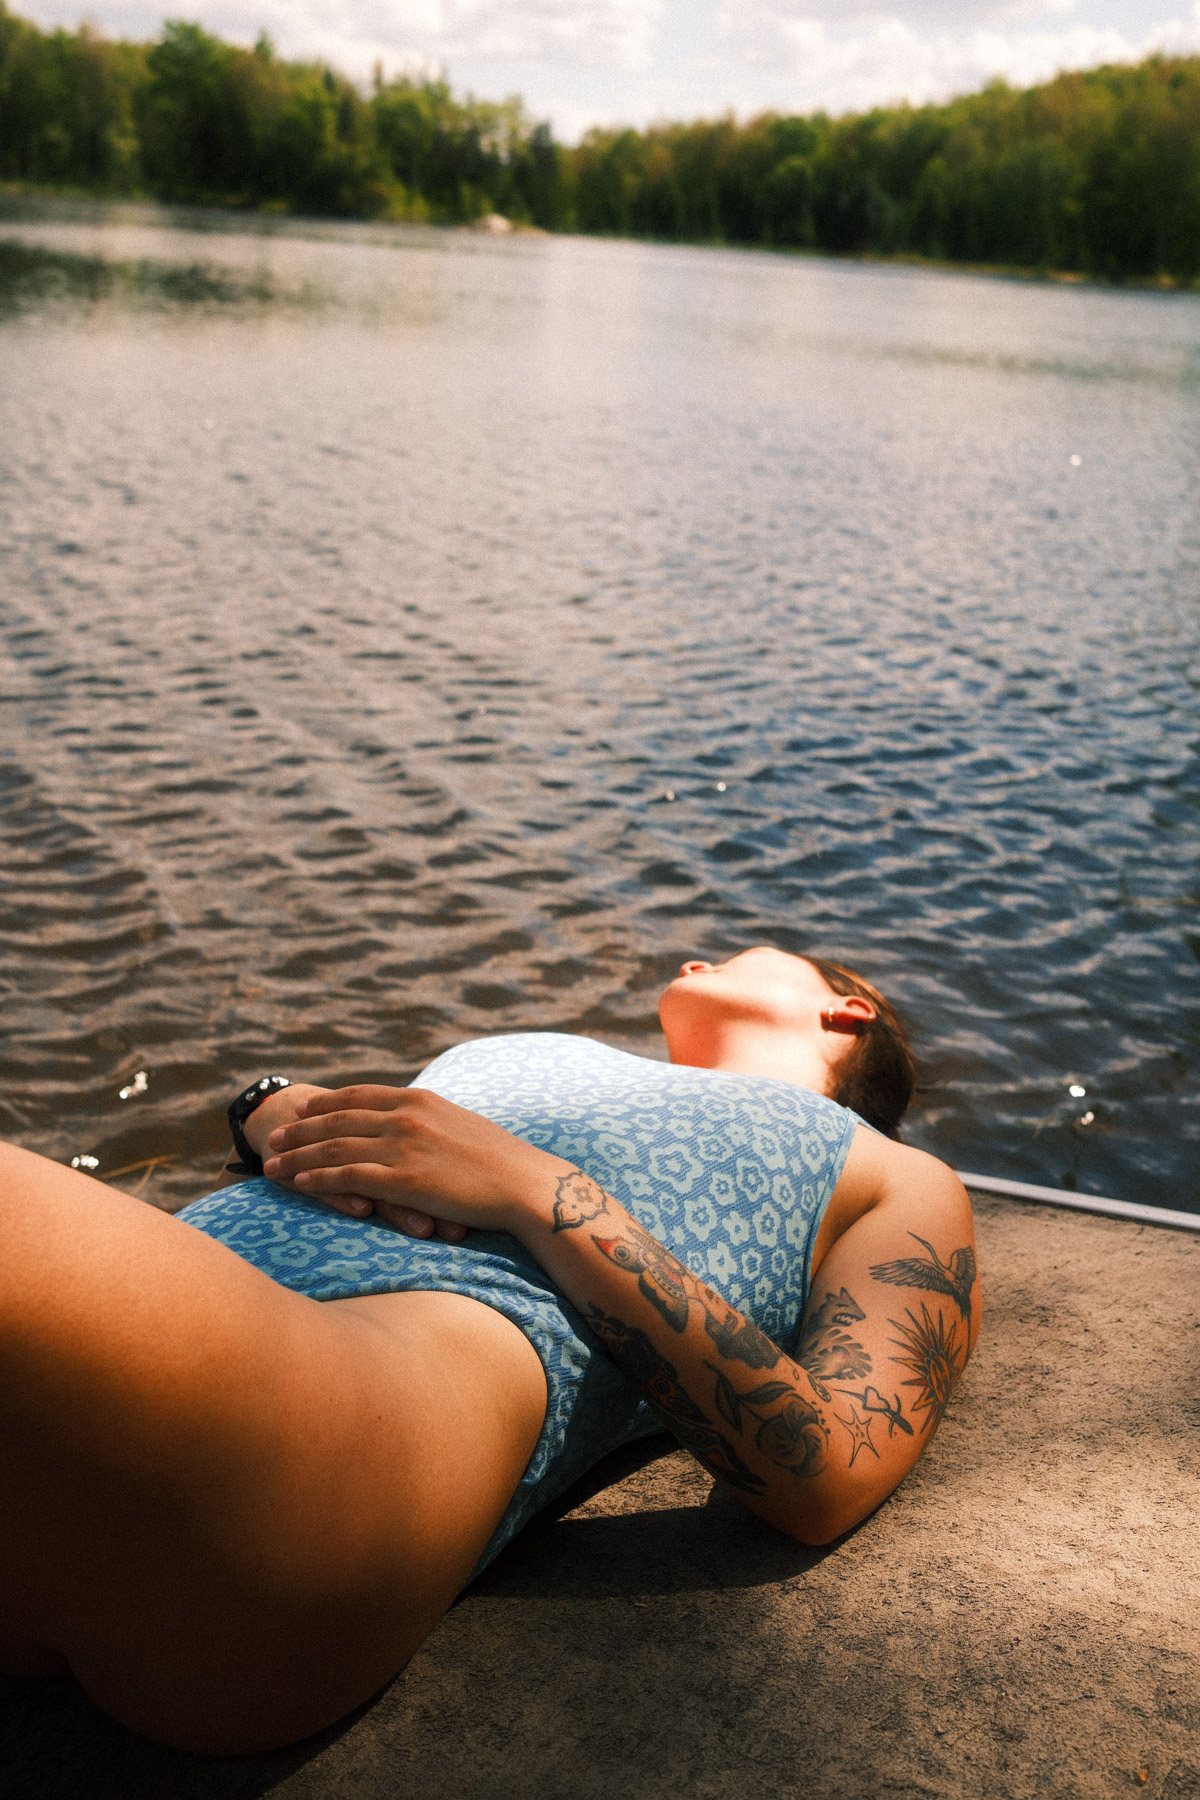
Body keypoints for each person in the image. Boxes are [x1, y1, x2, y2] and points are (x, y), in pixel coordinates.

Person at [0, 947, 978, 1755]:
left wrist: (537, 1190)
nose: (695, 958)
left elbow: (833, 1467)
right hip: (147, 1363)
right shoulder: (546, 1051)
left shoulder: (888, 1170)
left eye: (741, 952)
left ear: (845, 1011)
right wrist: (273, 1114)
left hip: (345, 1424)